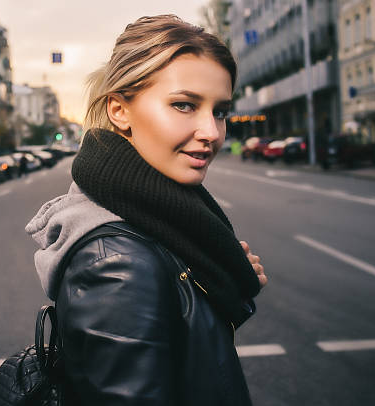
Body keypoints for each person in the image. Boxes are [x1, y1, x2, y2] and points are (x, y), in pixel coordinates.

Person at [25, 15, 267, 405]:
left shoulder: (164, 220)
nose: (211, 131)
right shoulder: (118, 263)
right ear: (120, 110)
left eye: (220, 111)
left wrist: (215, 282)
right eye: (184, 105)